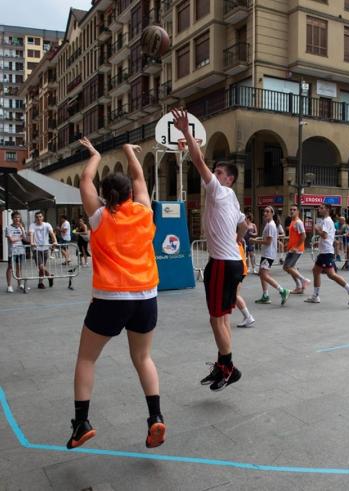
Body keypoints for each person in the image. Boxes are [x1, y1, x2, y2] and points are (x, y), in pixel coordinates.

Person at [67, 138, 165, 450]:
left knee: (86, 357)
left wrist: (95, 155)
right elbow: (139, 178)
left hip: (110, 298)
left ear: (106, 194)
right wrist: (128, 152)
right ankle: (155, 417)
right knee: (143, 357)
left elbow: (85, 180)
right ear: (128, 194)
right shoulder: (144, 213)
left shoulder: (98, 217)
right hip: (146, 295)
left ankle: (81, 422)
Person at [173, 109, 246, 391]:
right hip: (233, 262)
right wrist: (237, 240)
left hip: (221, 263)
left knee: (215, 319)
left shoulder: (218, 190)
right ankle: (221, 366)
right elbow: (245, 225)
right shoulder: (234, 200)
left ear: (229, 179)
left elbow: (197, 160)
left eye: (219, 173)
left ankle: (228, 368)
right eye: (214, 172)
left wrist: (186, 131)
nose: (213, 175)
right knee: (224, 318)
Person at [305, 203, 349, 305]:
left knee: (331, 274)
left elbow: (324, 235)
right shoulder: (327, 221)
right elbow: (328, 237)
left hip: (326, 252)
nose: (319, 210)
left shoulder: (327, 221)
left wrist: (317, 229)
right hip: (324, 251)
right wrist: (319, 242)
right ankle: (315, 296)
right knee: (315, 271)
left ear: (327, 210)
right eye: (319, 208)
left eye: (321, 208)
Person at [252, 206, 290, 305]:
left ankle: (282, 290)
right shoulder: (269, 224)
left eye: (267, 211)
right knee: (262, 274)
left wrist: (255, 241)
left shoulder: (271, 225)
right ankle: (265, 295)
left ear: (272, 213)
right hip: (267, 253)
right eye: (264, 211)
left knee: (264, 274)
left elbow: (268, 242)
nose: (265, 213)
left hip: (268, 254)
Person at [283, 205, 310, 294]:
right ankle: (299, 287)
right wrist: (288, 244)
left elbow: (303, 236)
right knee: (292, 267)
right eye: (291, 209)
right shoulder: (292, 221)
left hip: (296, 249)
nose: (292, 211)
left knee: (287, 267)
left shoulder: (298, 222)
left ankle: (303, 280)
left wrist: (295, 247)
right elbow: (294, 236)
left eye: (294, 210)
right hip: (292, 248)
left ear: (298, 212)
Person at [29, 211, 58, 289]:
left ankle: (40, 283)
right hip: (36, 249)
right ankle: (49, 276)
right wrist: (32, 242)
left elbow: (52, 233)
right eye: (37, 217)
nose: (39, 218)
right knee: (41, 266)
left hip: (45, 248)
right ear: (35, 218)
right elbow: (31, 234)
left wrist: (55, 241)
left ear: (43, 217)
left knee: (42, 267)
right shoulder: (32, 225)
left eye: (40, 216)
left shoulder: (47, 225)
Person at [5, 211, 27, 293]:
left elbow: (25, 238)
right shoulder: (8, 228)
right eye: (15, 217)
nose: (17, 219)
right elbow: (11, 240)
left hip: (20, 250)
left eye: (18, 217)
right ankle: (9, 285)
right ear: (12, 218)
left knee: (19, 267)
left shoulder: (21, 227)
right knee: (10, 268)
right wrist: (19, 238)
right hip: (12, 250)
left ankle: (19, 284)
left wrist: (21, 228)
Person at [235, 240, 255, 328]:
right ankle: (247, 316)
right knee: (234, 294)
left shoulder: (232, 237)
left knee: (235, 295)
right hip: (240, 268)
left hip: (238, 268)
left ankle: (248, 316)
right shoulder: (236, 237)